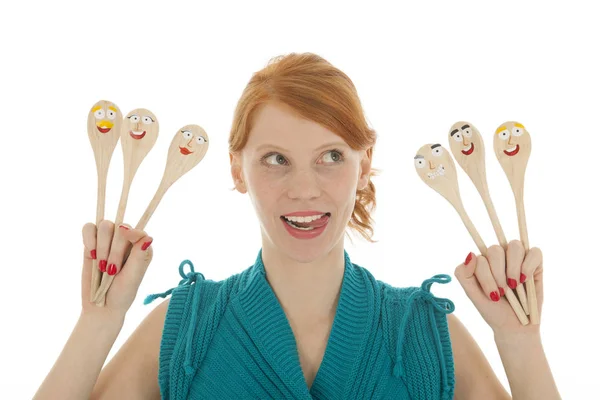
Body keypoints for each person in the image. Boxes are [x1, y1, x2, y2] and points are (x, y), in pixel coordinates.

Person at [33, 53, 560, 399]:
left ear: (364, 160)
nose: (304, 189)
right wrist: (99, 320)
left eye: (331, 155)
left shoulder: (422, 333)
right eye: (275, 159)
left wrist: (520, 340)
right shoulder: (186, 329)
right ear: (237, 167)